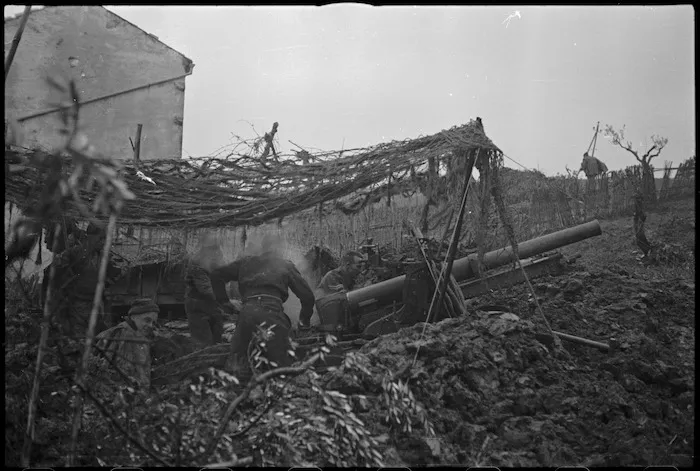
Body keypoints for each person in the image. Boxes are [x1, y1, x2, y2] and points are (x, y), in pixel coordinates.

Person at [210, 233, 315, 377]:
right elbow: (308, 297)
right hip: (272, 315)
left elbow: (216, 275)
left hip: (247, 315)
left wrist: (225, 302)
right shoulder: (285, 265)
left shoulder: (245, 263)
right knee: (281, 370)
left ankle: (239, 394)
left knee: (237, 368)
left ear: (262, 247)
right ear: (280, 248)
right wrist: (304, 323)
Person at [43, 222, 122, 338]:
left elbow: (115, 274)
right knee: (78, 338)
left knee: (96, 337)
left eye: (106, 239)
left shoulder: (103, 257)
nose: (104, 242)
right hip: (77, 305)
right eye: (101, 238)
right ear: (90, 237)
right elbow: (52, 269)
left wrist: (107, 282)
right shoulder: (75, 253)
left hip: (95, 305)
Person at [94, 298, 159, 389]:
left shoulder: (145, 339)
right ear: (133, 317)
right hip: (115, 398)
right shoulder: (116, 335)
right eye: (147, 320)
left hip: (138, 399)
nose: (151, 325)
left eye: (153, 322)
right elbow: (97, 371)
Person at [184, 234, 233, 347]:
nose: (217, 251)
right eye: (213, 248)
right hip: (198, 306)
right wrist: (227, 300)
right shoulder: (197, 261)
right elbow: (205, 289)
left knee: (217, 340)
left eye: (217, 247)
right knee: (203, 343)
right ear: (205, 248)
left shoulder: (216, 259)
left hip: (213, 306)